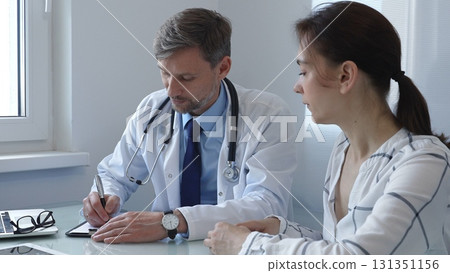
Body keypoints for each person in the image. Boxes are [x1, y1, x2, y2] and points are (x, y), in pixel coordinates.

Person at [204, 1, 450, 255]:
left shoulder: (425, 162)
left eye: (304, 71)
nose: (296, 86)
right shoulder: (344, 148)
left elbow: (356, 260)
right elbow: (340, 244)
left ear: (345, 76)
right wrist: (280, 229)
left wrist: (247, 245)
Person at [82, 8, 296, 243]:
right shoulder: (152, 111)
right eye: (164, 73)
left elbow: (266, 206)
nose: (171, 90)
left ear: (222, 68)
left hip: (237, 251)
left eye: (186, 78)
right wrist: (106, 197)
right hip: (171, 251)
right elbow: (116, 174)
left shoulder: (268, 115)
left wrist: (172, 222)